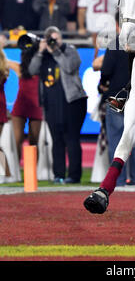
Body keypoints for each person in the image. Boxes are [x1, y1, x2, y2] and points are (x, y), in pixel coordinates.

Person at [28, 26, 87, 184]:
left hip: (72, 102)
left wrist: (55, 50)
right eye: (51, 40)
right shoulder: (44, 55)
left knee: (72, 138)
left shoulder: (70, 50)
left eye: (56, 39)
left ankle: (74, 176)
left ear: (61, 38)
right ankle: (58, 175)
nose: (54, 42)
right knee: (56, 139)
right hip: (51, 104)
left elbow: (69, 67)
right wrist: (40, 52)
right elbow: (32, 69)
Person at [98, 15, 135, 187]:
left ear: (118, 25)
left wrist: (102, 84)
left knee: (117, 138)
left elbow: (106, 70)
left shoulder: (115, 43)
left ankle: (117, 179)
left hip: (116, 97)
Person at [8, 39, 43, 162]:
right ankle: (16, 169)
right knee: (17, 139)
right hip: (21, 106)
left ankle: (32, 170)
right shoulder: (19, 68)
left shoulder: (40, 69)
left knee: (34, 140)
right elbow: (3, 62)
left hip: (36, 107)